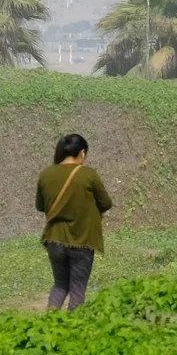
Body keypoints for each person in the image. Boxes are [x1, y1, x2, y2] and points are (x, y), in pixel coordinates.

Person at [36, 132, 112, 310]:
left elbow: (40, 206)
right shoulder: (88, 175)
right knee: (78, 289)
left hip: (54, 239)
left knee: (60, 285)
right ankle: (74, 329)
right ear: (82, 153)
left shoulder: (45, 174)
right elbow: (106, 203)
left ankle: (49, 322)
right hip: (82, 240)